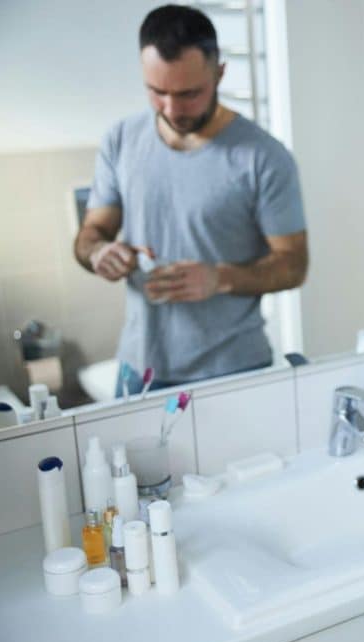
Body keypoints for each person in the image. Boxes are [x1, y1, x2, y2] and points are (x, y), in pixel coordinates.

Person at [73, 4, 308, 395]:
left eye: (188, 94)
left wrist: (220, 278)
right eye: (157, 92)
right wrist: (99, 251)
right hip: (138, 369)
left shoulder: (264, 157)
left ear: (219, 74)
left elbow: (293, 265)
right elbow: (91, 232)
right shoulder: (120, 140)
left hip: (234, 369)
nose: (171, 109)